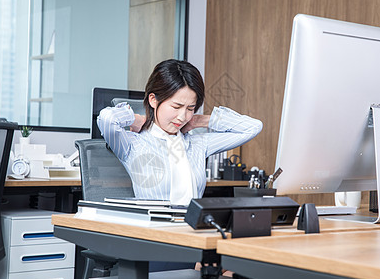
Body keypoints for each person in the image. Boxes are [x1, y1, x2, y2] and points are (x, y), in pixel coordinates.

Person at [97, 59, 262, 206]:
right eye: (176, 107)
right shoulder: (133, 144)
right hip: (153, 233)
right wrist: (136, 119)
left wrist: (199, 121)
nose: (182, 117)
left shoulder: (197, 143)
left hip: (191, 231)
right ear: (153, 100)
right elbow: (107, 119)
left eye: (190, 108)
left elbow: (252, 127)